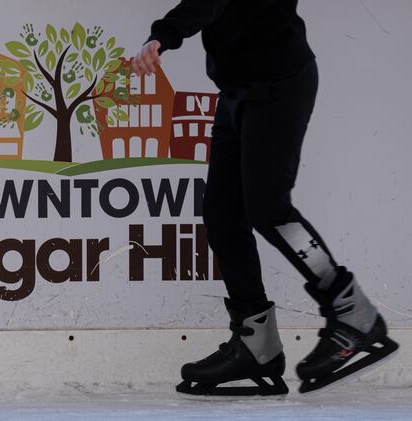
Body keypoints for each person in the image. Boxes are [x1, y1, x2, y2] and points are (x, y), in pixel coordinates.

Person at [132, 0, 398, 398]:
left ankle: (351, 311)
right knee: (222, 215)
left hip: (280, 82)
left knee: (269, 210)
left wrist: (164, 35)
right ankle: (256, 344)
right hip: (237, 89)